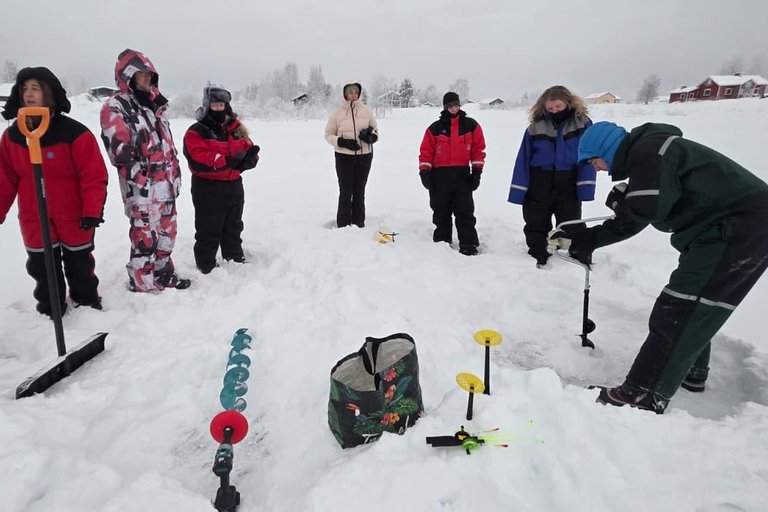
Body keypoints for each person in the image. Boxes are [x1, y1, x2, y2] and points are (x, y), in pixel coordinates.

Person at [548, 121, 768, 414]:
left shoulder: (650, 151)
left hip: (737, 227)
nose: (597, 169)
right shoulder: (653, 153)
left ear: (606, 149)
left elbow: (644, 211)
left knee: (680, 306)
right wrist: (588, 236)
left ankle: (643, 393)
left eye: (593, 161)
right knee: (693, 301)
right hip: (727, 228)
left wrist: (619, 208)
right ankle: (690, 372)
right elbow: (642, 215)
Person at [0, 67, 108, 315]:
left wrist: (92, 211)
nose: (29, 94)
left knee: (79, 262)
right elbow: (4, 179)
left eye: (35, 89)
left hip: (73, 212)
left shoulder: (74, 133)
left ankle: (86, 302)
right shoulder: (13, 137)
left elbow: (93, 176)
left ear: (48, 93)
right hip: (34, 213)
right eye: (24, 89)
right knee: (42, 264)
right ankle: (52, 308)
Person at [100, 49, 190, 292]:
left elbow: (168, 146)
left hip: (167, 187)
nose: (146, 79)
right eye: (141, 74)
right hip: (143, 191)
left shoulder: (156, 106)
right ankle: (142, 285)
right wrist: (143, 182)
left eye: (149, 75)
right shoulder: (116, 107)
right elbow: (120, 154)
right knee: (145, 241)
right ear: (127, 76)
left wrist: (176, 175)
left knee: (167, 237)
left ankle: (163, 275)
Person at [508, 85, 596, 268]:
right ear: (543, 107)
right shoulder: (535, 127)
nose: (554, 111)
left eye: (558, 106)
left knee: (571, 221)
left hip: (569, 179)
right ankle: (537, 253)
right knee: (536, 220)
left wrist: (585, 186)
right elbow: (523, 159)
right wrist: (518, 190)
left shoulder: (583, 124)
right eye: (550, 108)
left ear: (568, 103)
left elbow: (590, 156)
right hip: (539, 179)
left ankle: (578, 253)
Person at [182, 86, 259, 274]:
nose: (219, 108)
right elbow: (197, 156)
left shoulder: (235, 127)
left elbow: (247, 146)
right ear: (207, 105)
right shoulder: (197, 131)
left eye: (222, 105)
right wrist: (224, 160)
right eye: (215, 105)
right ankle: (206, 263)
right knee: (209, 226)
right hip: (208, 186)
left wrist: (250, 159)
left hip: (233, 184)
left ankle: (234, 256)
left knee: (234, 224)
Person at [418, 92, 486, 256]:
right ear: (445, 107)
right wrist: (424, 172)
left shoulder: (471, 125)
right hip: (439, 176)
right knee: (440, 211)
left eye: (456, 105)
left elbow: (478, 150)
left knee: (465, 211)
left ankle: (468, 244)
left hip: (462, 175)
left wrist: (477, 172)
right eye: (450, 106)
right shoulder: (434, 128)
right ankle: (442, 241)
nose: (454, 108)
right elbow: (426, 152)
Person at [324, 81, 379, 228]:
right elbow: (328, 134)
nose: (354, 95)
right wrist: (342, 142)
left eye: (356, 92)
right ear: (344, 94)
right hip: (344, 157)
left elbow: (375, 130)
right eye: (350, 92)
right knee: (346, 191)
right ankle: (343, 224)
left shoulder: (367, 111)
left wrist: (371, 137)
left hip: (364, 156)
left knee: (359, 190)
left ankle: (358, 222)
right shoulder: (337, 113)